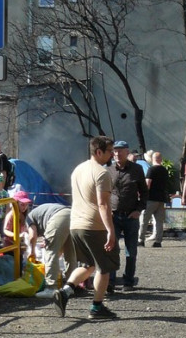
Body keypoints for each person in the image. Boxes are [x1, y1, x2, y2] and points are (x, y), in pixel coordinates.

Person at [52, 136, 119, 320]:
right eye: (109, 151)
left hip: (76, 224)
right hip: (94, 226)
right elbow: (103, 204)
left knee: (88, 265)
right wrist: (111, 231)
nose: (112, 154)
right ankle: (97, 308)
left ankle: (65, 292)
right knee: (104, 268)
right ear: (99, 152)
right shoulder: (102, 173)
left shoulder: (78, 169)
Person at [108, 140, 147, 293]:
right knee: (111, 249)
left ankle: (128, 281)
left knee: (131, 251)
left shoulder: (137, 169)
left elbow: (144, 192)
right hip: (113, 215)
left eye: (120, 151)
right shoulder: (108, 170)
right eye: (115, 151)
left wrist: (139, 209)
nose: (117, 154)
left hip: (131, 216)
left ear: (127, 152)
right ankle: (110, 282)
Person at [25, 201, 74, 289]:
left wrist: (32, 251)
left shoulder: (28, 218)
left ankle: (51, 287)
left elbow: (32, 236)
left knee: (50, 252)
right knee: (70, 253)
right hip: (71, 214)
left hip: (58, 217)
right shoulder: (39, 215)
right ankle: (72, 285)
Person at [141, 150, 170, 248]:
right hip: (161, 198)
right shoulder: (165, 170)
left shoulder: (151, 170)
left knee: (144, 220)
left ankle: (141, 239)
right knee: (159, 221)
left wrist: (142, 194)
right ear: (161, 159)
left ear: (152, 159)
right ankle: (158, 241)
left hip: (151, 198)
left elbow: (147, 183)